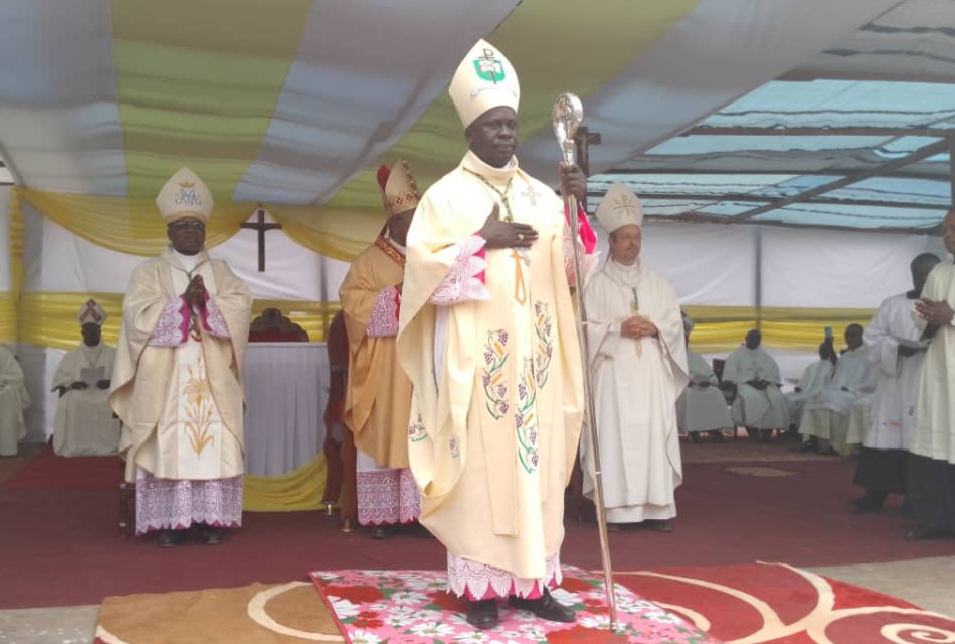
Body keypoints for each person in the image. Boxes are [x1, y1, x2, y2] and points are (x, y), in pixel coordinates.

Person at [396, 39, 597, 630]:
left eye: (510, 123)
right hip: (478, 368)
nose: (505, 133)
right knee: (483, 475)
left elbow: (573, 274)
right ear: (471, 132)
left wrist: (578, 211)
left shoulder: (543, 195)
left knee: (535, 472)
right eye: (492, 124)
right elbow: (423, 279)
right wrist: (482, 241)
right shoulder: (445, 197)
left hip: (536, 366)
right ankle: (482, 590)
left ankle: (534, 585)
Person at [109, 167, 253, 547]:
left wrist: (208, 303)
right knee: (168, 444)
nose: (191, 231)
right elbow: (137, 318)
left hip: (212, 376)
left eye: (197, 225)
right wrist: (178, 305)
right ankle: (169, 523)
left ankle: (210, 520)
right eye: (184, 225)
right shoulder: (149, 272)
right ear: (169, 231)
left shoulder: (221, 272)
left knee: (212, 441)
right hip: (167, 376)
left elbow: (240, 309)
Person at [583, 183, 687, 533]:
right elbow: (579, 329)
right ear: (610, 241)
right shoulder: (592, 286)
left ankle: (657, 507)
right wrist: (615, 330)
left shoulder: (659, 285)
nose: (632, 244)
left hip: (651, 379)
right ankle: (614, 509)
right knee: (614, 438)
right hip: (612, 377)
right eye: (625, 237)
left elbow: (674, 323)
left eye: (636, 237)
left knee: (652, 437)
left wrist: (656, 329)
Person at [339, 159, 421, 539]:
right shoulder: (369, 262)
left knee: (423, 435)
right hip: (385, 369)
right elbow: (353, 305)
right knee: (387, 429)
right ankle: (384, 516)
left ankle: (420, 514)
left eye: (418, 217)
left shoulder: (430, 258)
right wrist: (395, 297)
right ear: (392, 222)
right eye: (407, 219)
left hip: (423, 367)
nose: (414, 225)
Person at [851, 253, 940, 512]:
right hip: (895, 383)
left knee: (922, 441)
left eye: (929, 273)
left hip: (929, 382)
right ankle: (875, 494)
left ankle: (918, 500)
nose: (923, 277)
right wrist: (898, 348)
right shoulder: (892, 304)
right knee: (886, 437)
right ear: (912, 274)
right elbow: (872, 339)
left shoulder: (946, 308)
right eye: (919, 272)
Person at [907, 209, 955, 539]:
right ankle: (937, 519)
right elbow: (921, 313)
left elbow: (945, 313)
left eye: (953, 229)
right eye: (945, 230)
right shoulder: (940, 270)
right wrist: (928, 316)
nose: (947, 236)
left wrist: (951, 314)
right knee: (938, 448)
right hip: (941, 369)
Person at [51, 299, 121, 457]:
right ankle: (76, 447)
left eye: (93, 330)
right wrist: (72, 384)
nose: (90, 333)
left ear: (100, 332)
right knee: (74, 402)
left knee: (107, 402)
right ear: (81, 333)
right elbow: (60, 382)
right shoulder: (71, 356)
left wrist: (111, 382)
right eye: (87, 330)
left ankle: (107, 446)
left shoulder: (113, 354)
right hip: (79, 393)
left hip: (106, 392)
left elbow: (123, 378)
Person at [799, 324, 877, 456]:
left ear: (862, 337)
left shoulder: (871, 356)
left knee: (831, 399)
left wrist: (851, 389)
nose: (849, 338)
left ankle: (834, 445)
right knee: (814, 396)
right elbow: (835, 375)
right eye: (847, 335)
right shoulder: (846, 356)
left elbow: (871, 382)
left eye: (853, 335)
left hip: (856, 393)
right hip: (838, 390)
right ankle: (813, 441)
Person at [723, 328, 789, 439]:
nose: (755, 340)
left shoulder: (765, 356)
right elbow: (730, 376)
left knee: (777, 398)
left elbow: (774, 374)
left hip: (765, 386)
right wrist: (750, 381)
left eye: (757, 339)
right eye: (752, 338)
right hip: (745, 385)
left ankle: (768, 429)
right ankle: (752, 429)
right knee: (751, 398)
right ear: (746, 339)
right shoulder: (736, 355)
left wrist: (767, 381)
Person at [676, 313, 733, 442]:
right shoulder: (670, 355)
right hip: (684, 387)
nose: (686, 341)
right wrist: (688, 381)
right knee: (689, 395)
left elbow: (710, 375)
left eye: (687, 339)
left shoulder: (694, 355)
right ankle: (692, 431)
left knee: (716, 393)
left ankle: (715, 428)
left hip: (701, 386)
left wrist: (708, 381)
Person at [785, 342, 836, 432]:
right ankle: (790, 425)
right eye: (821, 350)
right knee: (786, 398)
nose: (822, 352)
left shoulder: (832, 368)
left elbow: (830, 384)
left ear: (829, 352)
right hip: (804, 391)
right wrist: (799, 387)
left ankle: (802, 430)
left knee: (804, 402)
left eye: (825, 350)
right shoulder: (812, 366)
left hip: (818, 394)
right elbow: (803, 380)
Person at [0, 344, 29, 457]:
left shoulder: (3, 353)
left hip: (2, 390)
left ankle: (5, 447)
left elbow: (17, 377)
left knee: (7, 396)